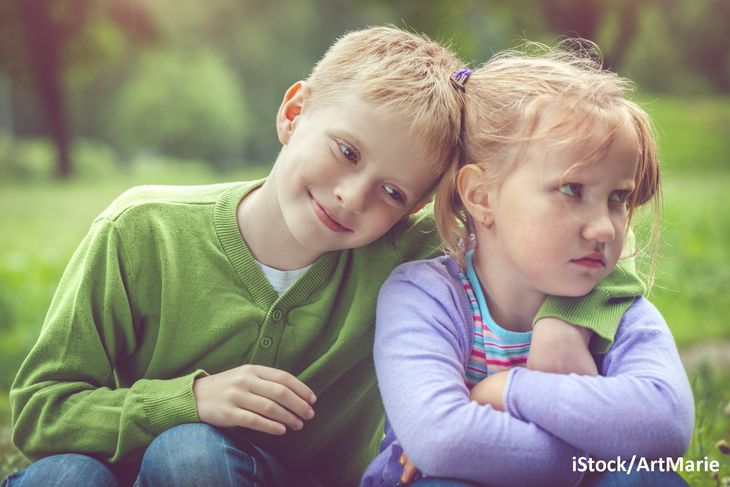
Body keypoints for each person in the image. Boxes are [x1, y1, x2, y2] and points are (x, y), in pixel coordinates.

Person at [4, 28, 643, 487]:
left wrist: (562, 318)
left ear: (417, 209)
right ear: (294, 111)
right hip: (116, 468)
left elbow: (573, 246)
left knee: (192, 455)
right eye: (346, 151)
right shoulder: (141, 231)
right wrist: (190, 399)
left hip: (271, 476)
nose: (351, 195)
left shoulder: (405, 258)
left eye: (393, 192)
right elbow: (40, 412)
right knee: (63, 474)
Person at [361, 41, 694, 487]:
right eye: (573, 189)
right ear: (481, 196)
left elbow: (667, 424)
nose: (606, 229)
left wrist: (506, 392)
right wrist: (598, 449)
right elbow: (444, 441)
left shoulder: (615, 308)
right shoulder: (425, 296)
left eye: (618, 198)